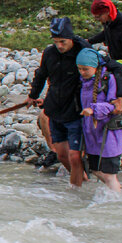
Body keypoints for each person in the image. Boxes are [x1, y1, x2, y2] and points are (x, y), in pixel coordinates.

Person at [27, 17, 88, 186]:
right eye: (56, 42)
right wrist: (33, 95)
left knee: (75, 155)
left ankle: (78, 188)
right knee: (61, 155)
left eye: (63, 41)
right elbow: (41, 74)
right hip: (55, 108)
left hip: (76, 110)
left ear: (71, 38)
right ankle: (82, 181)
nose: (59, 46)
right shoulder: (49, 53)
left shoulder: (83, 52)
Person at [77, 48, 122, 192]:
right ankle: (116, 192)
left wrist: (93, 110)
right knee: (94, 170)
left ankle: (115, 201)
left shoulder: (108, 79)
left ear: (95, 67)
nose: (82, 72)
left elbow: (114, 105)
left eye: (85, 69)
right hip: (92, 134)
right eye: (79, 69)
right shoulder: (84, 81)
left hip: (109, 134)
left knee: (110, 175)